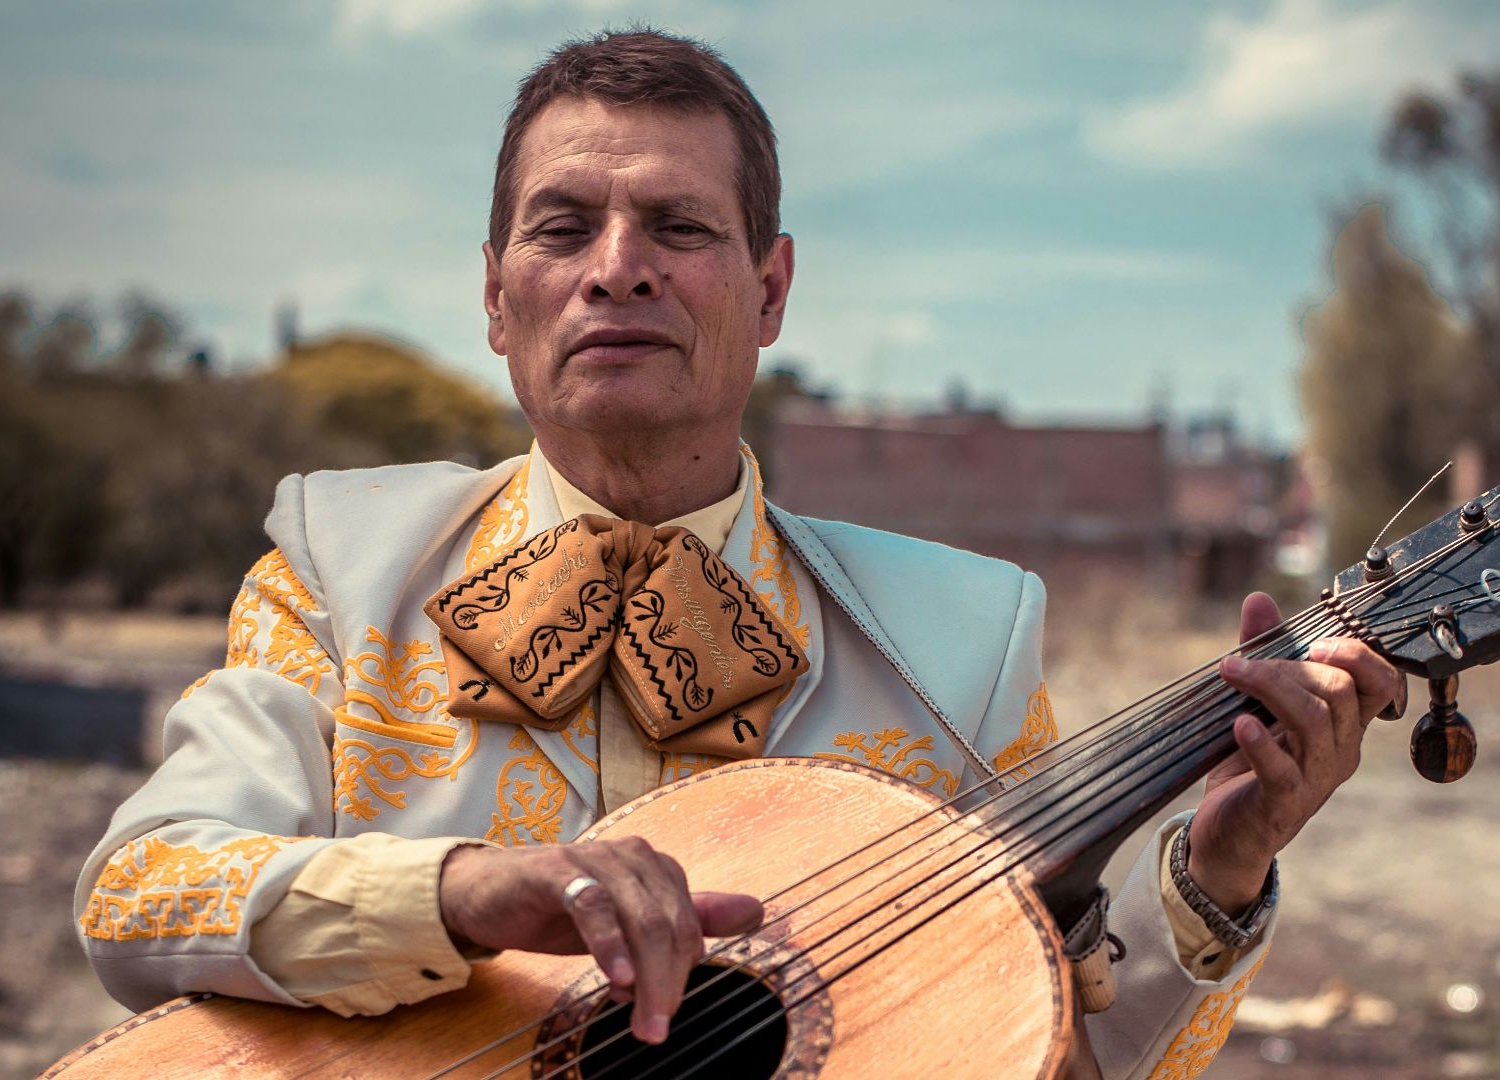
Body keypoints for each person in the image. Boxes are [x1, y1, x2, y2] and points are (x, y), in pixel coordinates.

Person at [73, 28, 1400, 1079]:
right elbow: (140, 893)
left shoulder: (959, 644)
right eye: (562, 225)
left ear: (770, 292)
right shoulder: (337, 570)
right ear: (495, 296)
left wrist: (1216, 876)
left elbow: (1051, 1050)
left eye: (679, 227)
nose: (618, 268)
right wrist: (462, 896)